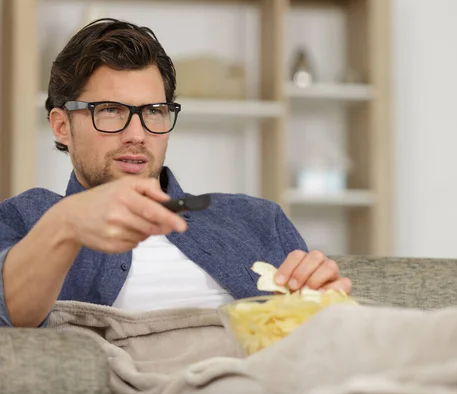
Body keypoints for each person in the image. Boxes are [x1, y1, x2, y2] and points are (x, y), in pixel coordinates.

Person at [0, 18, 351, 328]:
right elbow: (10, 316)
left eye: (153, 111)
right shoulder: (27, 217)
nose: (137, 134)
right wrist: (66, 223)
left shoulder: (258, 219)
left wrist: (326, 306)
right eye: (109, 110)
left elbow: (317, 342)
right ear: (61, 126)